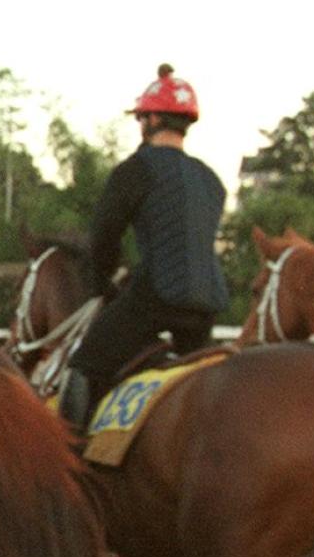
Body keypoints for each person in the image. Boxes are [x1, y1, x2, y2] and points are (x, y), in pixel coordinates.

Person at [60, 65, 228, 432]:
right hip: (206, 309)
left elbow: (103, 238)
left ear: (151, 119)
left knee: (83, 366)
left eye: (141, 118)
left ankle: (70, 459)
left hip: (156, 302)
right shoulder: (212, 180)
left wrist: (101, 286)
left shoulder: (135, 170)